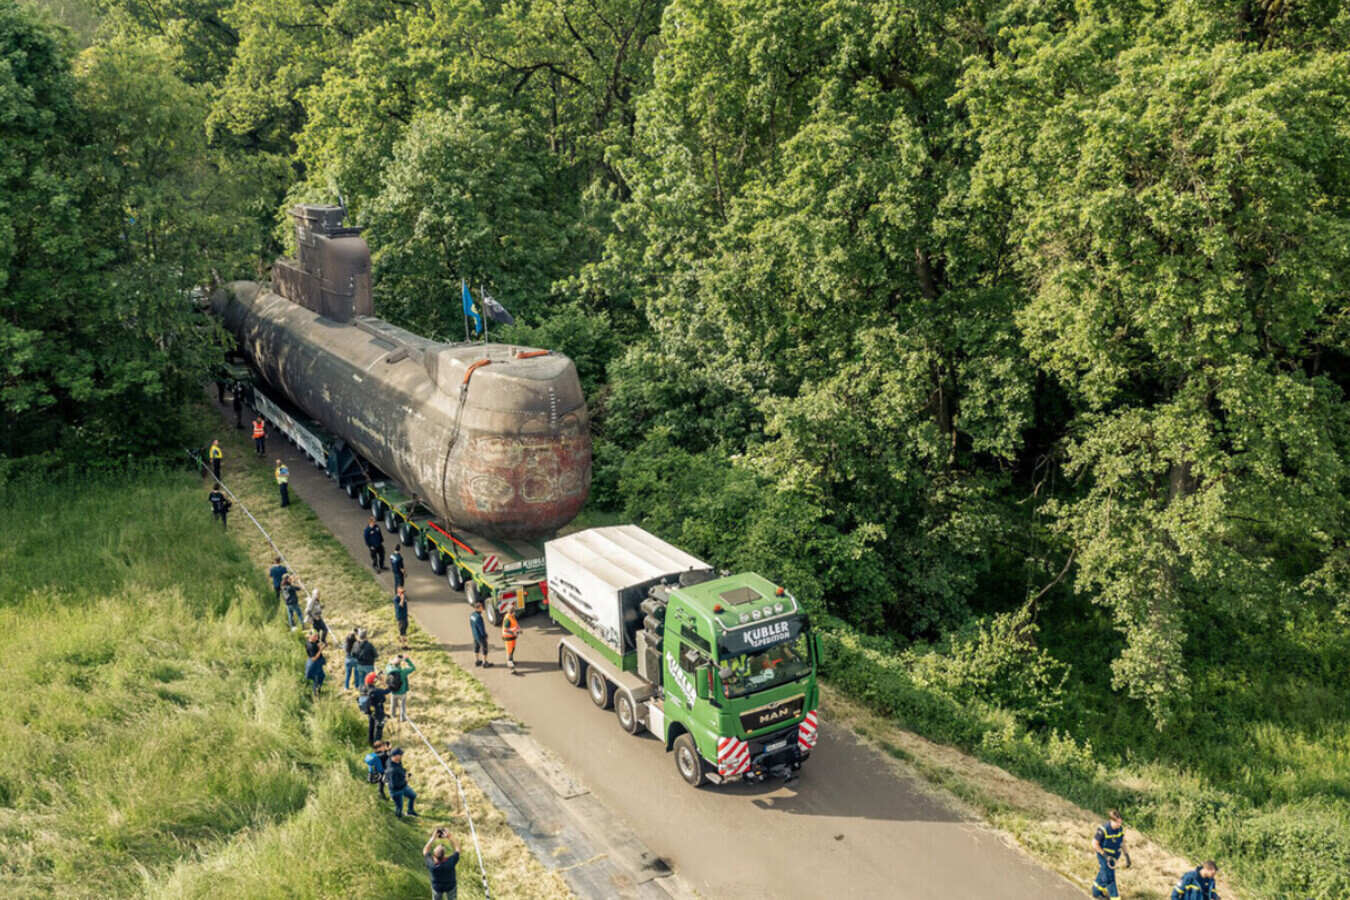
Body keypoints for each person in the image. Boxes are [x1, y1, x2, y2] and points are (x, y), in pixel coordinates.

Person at [1091, 809, 1127, 898]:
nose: (1119, 825)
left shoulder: (1120, 829)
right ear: (1111, 820)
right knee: (1109, 878)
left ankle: (1096, 892)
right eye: (1117, 823)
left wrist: (1127, 856)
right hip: (1104, 857)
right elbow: (1094, 844)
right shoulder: (1104, 829)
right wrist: (1105, 855)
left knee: (1104, 874)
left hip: (1114, 857)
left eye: (1120, 822)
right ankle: (1115, 897)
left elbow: (1122, 843)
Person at [424, 826, 461, 900]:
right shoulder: (450, 863)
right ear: (444, 856)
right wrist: (450, 836)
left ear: (434, 856)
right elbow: (458, 849)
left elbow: (425, 850)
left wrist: (433, 838)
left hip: (437, 887)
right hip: (450, 886)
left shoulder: (432, 865)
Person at [386, 747, 417, 817]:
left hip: (403, 787)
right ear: (396, 756)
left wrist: (404, 772)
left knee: (413, 795)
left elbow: (400, 768)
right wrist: (405, 780)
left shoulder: (396, 761)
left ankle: (410, 811)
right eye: (400, 754)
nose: (401, 756)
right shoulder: (392, 770)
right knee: (399, 808)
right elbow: (394, 785)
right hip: (396, 791)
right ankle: (399, 819)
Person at [386, 653, 415, 722]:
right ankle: (402, 718)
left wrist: (392, 661)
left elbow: (388, 665)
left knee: (393, 705)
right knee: (402, 706)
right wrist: (407, 660)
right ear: (400, 664)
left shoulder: (389, 670)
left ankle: (393, 715)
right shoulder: (403, 672)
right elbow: (413, 668)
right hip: (402, 692)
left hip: (393, 692)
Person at [366, 672, 389, 745]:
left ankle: (370, 741)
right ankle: (377, 743)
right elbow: (387, 691)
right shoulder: (376, 691)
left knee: (371, 725)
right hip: (378, 710)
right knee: (379, 726)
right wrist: (386, 683)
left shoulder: (365, 689)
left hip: (370, 710)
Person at [469, 601, 490, 668]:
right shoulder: (479, 617)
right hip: (480, 636)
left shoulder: (472, 615)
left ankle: (477, 661)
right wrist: (485, 635)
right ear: (477, 608)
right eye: (481, 607)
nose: (482, 608)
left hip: (475, 635)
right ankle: (485, 662)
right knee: (484, 648)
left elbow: (471, 624)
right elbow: (481, 628)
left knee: (476, 647)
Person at [501, 604, 520, 673]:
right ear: (511, 612)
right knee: (509, 652)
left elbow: (515, 624)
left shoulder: (511, 616)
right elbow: (505, 630)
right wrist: (513, 632)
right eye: (514, 611)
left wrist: (518, 629)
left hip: (512, 637)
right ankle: (511, 668)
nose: (515, 613)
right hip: (508, 638)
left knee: (512, 650)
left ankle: (512, 661)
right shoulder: (507, 619)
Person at [305, 633, 326, 697]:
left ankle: (318, 690)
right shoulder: (310, 646)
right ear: (310, 637)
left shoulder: (312, 641)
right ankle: (316, 694)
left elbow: (319, 643)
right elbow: (314, 658)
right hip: (314, 663)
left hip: (318, 662)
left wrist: (320, 645)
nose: (317, 638)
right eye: (315, 636)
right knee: (316, 678)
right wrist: (320, 649)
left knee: (322, 676)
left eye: (317, 636)